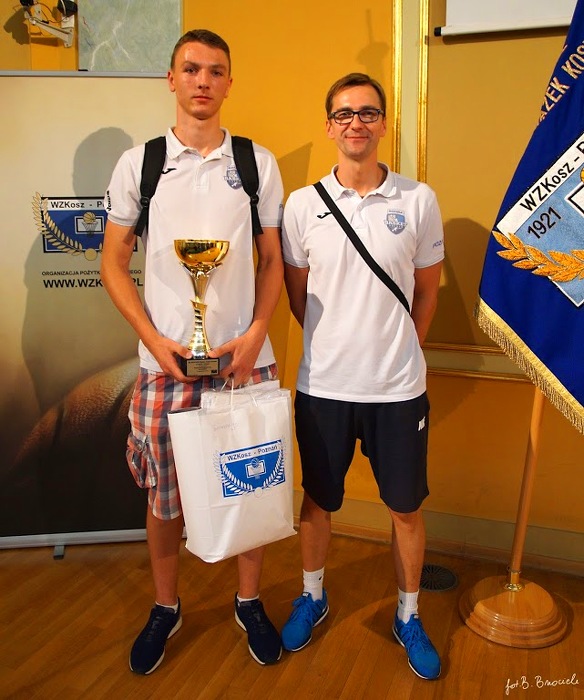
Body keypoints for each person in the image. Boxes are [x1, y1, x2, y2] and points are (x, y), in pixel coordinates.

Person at [101, 29, 285, 674]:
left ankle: (249, 601)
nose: (203, 80)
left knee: (251, 486)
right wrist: (155, 341)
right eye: (191, 69)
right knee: (163, 496)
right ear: (172, 79)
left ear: (229, 82)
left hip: (244, 361)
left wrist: (256, 331)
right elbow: (112, 263)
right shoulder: (139, 164)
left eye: (215, 70)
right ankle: (166, 606)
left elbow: (271, 260)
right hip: (165, 365)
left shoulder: (257, 163)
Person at [280, 73, 444, 680]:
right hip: (324, 387)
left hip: (398, 391)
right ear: (329, 126)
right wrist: (339, 345)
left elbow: (427, 292)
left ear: (383, 124)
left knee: (405, 509)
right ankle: (313, 596)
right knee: (318, 501)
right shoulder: (302, 206)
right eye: (345, 113)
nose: (356, 122)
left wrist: (401, 346)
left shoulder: (418, 200)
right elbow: (298, 297)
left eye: (368, 112)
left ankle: (409, 614)